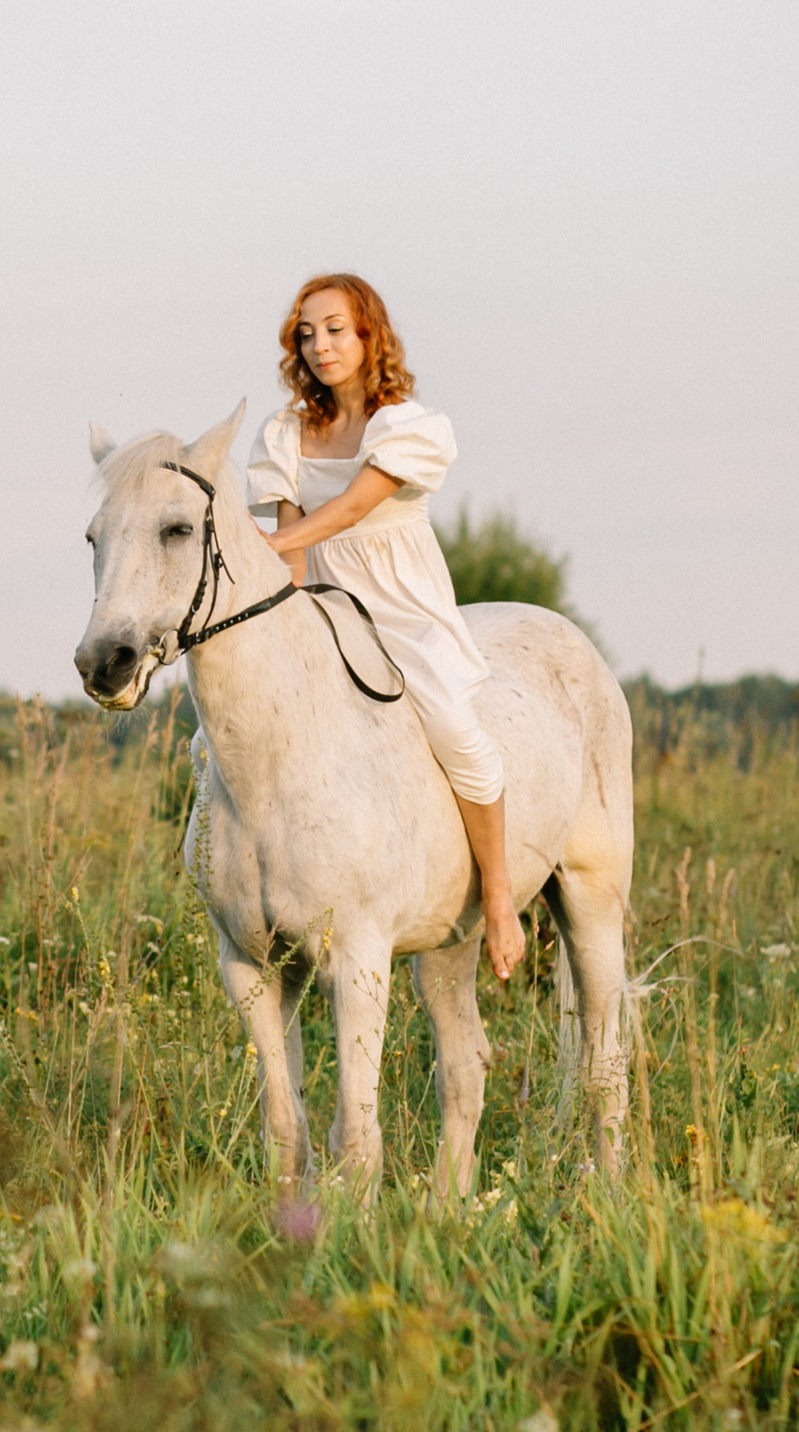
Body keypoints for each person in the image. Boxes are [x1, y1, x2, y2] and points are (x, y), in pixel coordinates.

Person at [244, 273, 524, 977]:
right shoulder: (286, 432)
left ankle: (498, 893)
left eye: (336, 328)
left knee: (456, 729)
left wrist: (267, 546)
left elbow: (347, 511)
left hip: (401, 611)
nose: (320, 345)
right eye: (306, 333)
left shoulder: (407, 425)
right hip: (328, 609)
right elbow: (297, 553)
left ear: (370, 334)